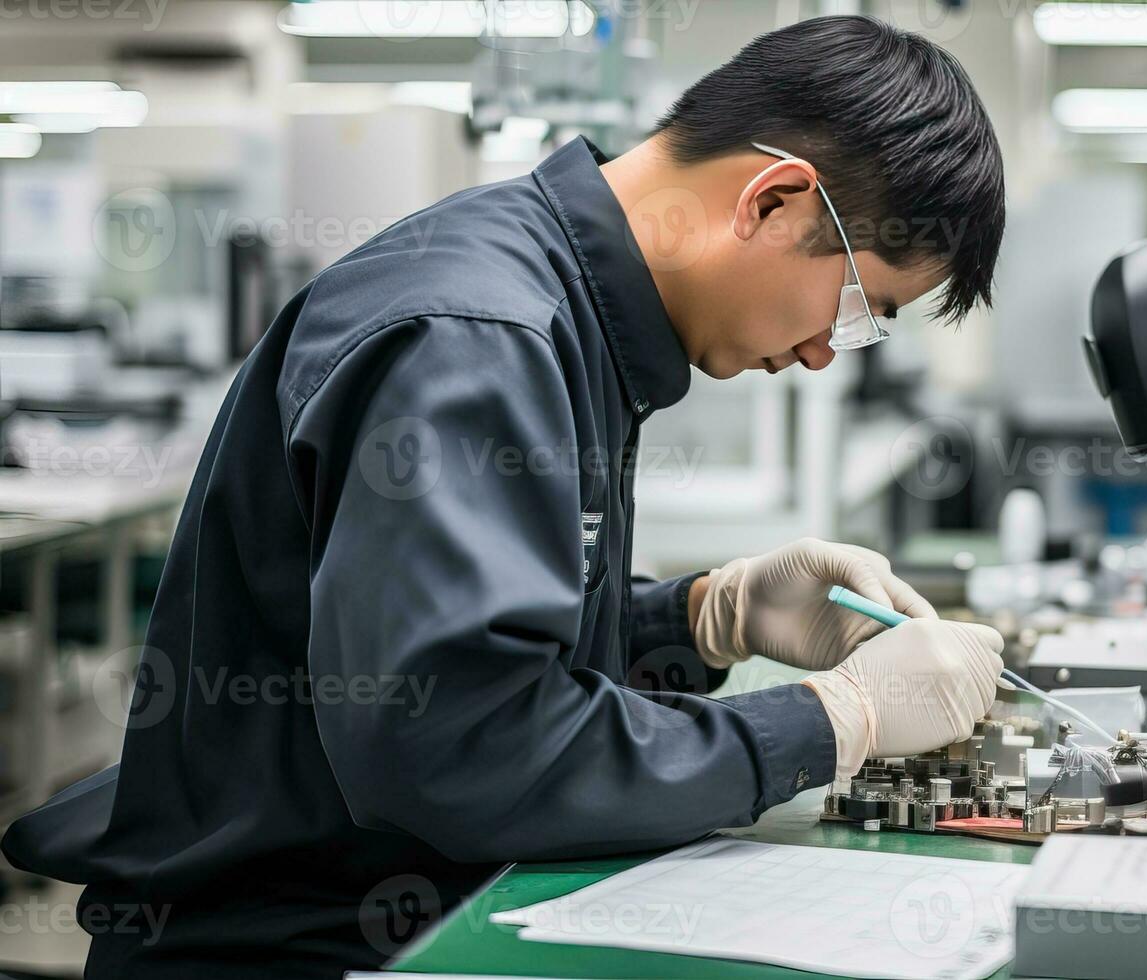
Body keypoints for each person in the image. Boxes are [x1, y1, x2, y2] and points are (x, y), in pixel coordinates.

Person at [1, 15, 1007, 979]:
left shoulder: (557, 308)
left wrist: (700, 618)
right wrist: (834, 720)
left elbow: (489, 654)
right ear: (772, 201)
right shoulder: (482, 334)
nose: (829, 352)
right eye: (857, 307)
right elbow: (464, 743)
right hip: (289, 942)